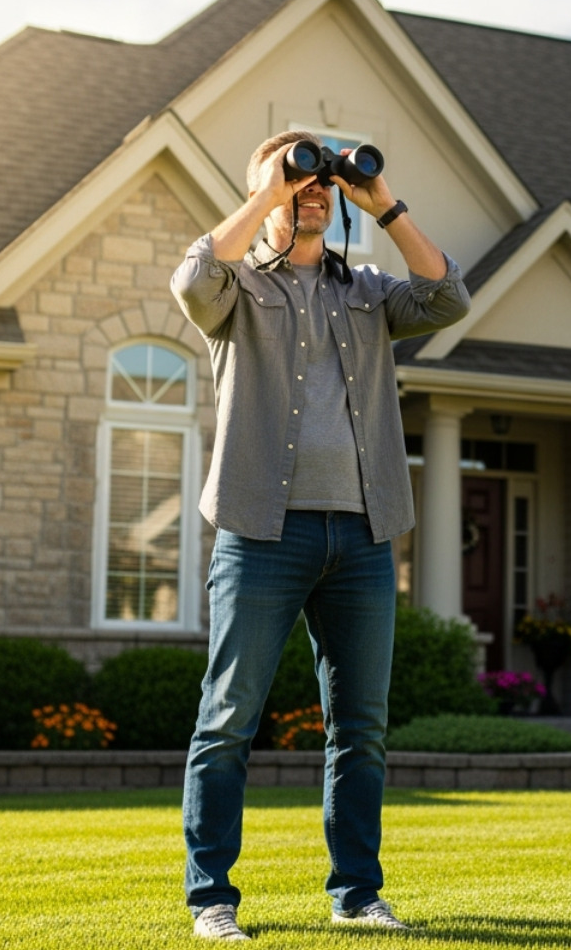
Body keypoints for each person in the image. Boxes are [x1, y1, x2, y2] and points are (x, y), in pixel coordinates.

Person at [170, 130, 470, 940]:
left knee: (361, 730)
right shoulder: (235, 289)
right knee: (228, 718)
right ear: (267, 191)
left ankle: (356, 894)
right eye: (298, 179)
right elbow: (192, 280)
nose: (314, 190)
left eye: (320, 183)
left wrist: (383, 203)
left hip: (365, 536)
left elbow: (449, 299)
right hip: (262, 533)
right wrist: (269, 190)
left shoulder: (369, 290)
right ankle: (212, 900)